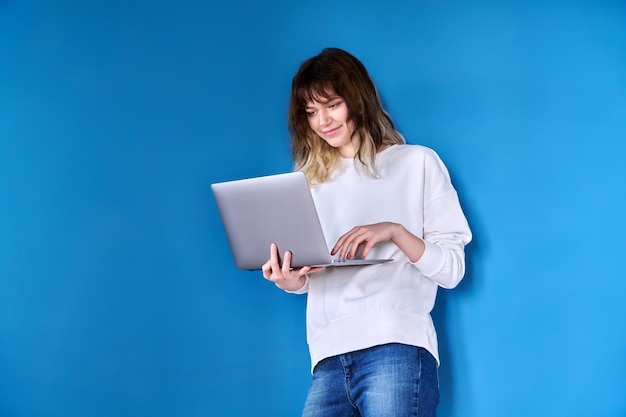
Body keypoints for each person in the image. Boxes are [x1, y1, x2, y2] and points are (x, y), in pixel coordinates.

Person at [261, 47, 472, 417]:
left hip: (395, 346)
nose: (322, 121)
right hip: (326, 358)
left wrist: (393, 230)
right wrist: (290, 280)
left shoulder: (416, 162)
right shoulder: (308, 184)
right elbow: (313, 278)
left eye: (332, 105)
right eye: (310, 112)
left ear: (357, 100)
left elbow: (452, 271)